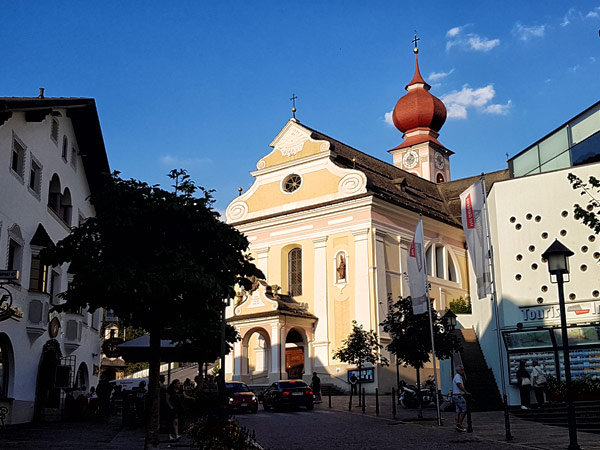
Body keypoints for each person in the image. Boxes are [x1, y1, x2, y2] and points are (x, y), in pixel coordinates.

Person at [452, 365, 470, 432]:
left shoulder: (457, 376)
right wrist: (465, 391)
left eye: (463, 369)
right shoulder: (457, 376)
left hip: (456, 395)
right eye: (461, 370)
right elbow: (459, 384)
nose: (463, 371)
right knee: (464, 409)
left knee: (458, 411)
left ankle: (457, 424)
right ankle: (459, 424)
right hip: (458, 395)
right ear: (458, 371)